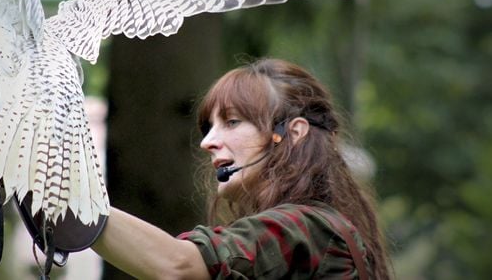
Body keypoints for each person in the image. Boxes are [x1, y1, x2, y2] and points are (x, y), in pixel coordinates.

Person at [91, 58, 391, 279]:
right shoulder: (318, 228)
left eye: (232, 122)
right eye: (209, 127)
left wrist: (73, 205)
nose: (207, 142)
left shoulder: (308, 227)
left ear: (293, 133)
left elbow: (178, 265)